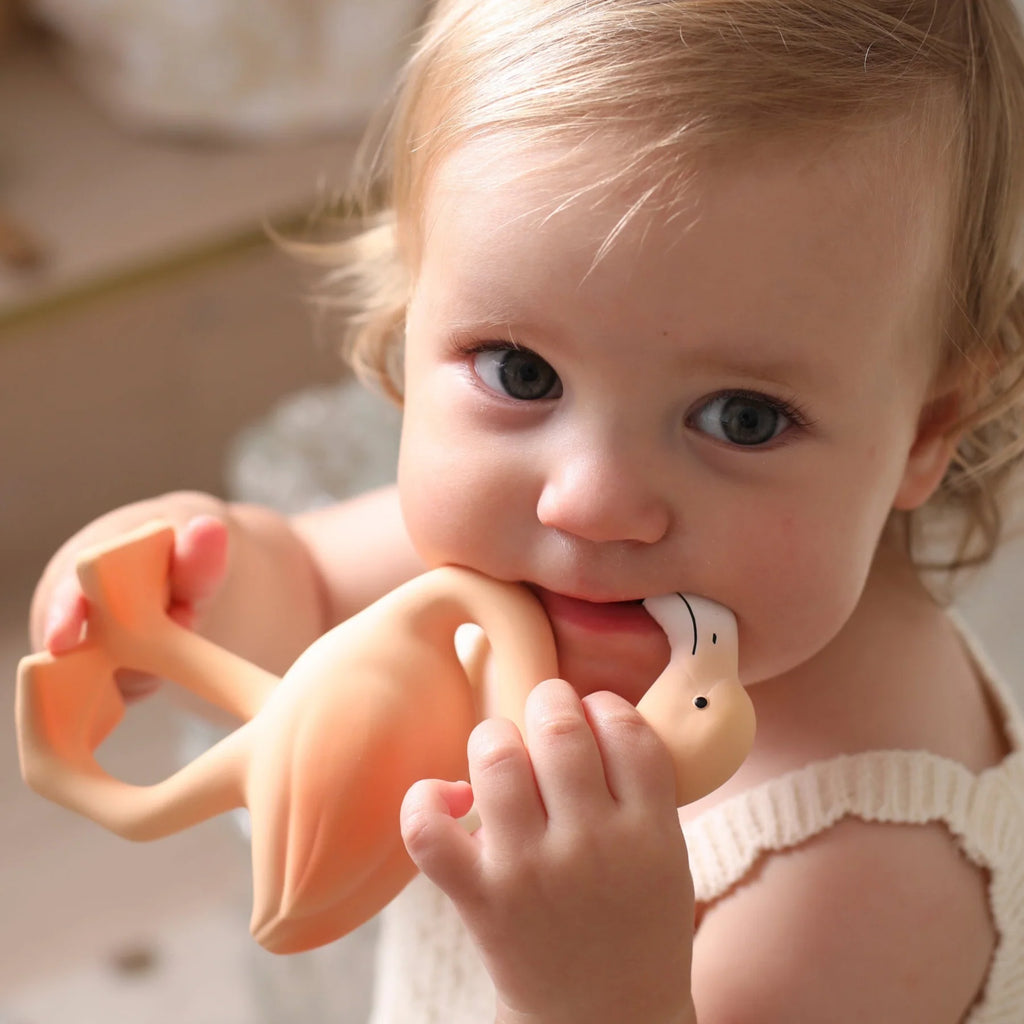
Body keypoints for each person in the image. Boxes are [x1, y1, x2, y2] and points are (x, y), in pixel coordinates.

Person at [30, 1, 1024, 1021]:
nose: (591, 503)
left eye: (743, 417)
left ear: (922, 428)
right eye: (523, 370)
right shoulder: (512, 576)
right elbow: (309, 598)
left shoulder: (860, 879)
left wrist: (599, 992)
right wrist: (184, 593)